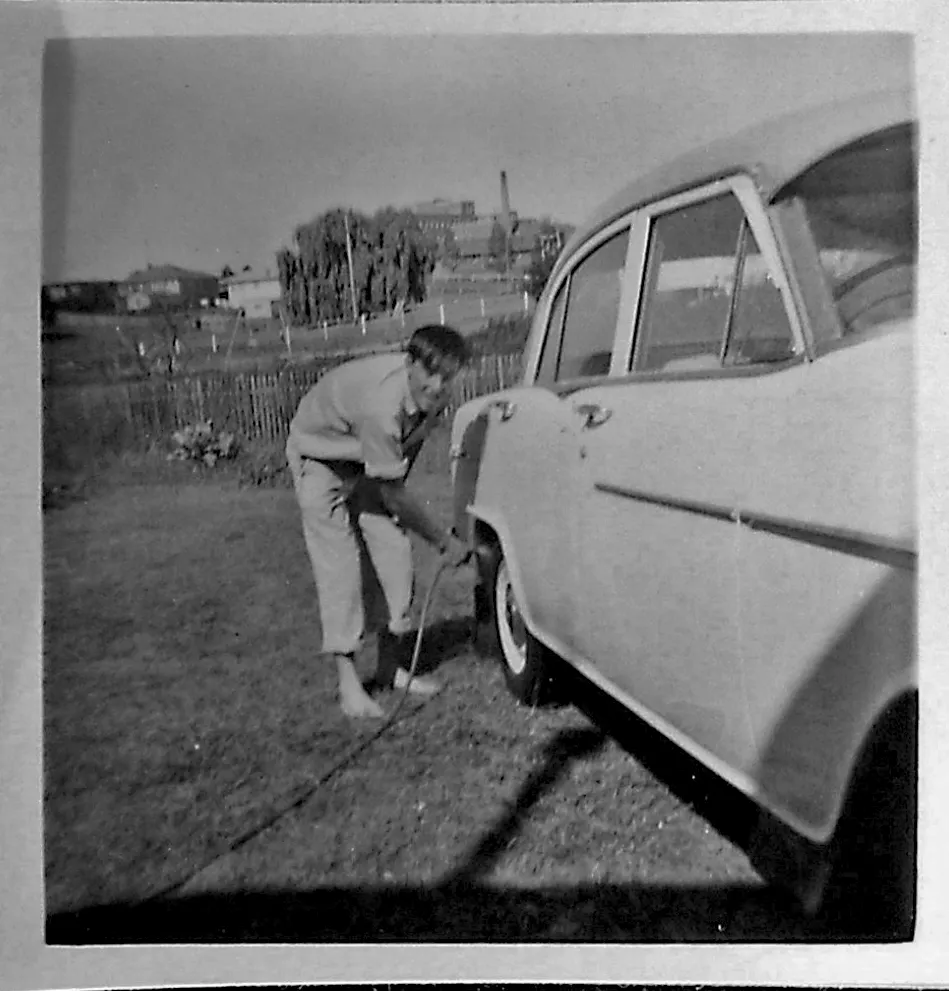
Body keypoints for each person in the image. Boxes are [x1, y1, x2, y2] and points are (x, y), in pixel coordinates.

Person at [286, 324, 471, 719]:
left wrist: (397, 514)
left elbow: (400, 464)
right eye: (431, 373)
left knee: (394, 551)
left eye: (448, 376)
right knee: (342, 569)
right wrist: (441, 540)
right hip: (320, 458)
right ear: (410, 364)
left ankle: (391, 668)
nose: (439, 385)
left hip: (366, 460)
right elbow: (392, 492)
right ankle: (349, 688)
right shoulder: (381, 405)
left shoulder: (431, 399)